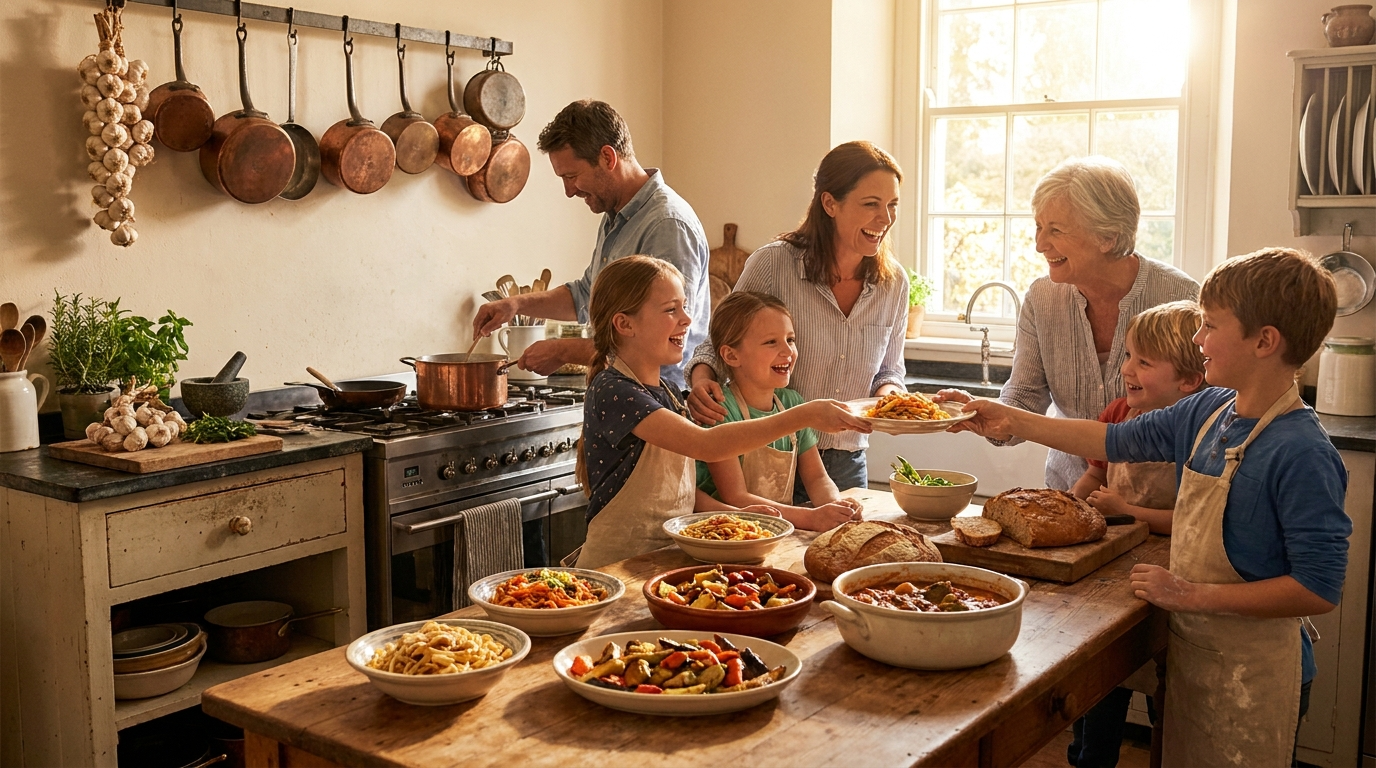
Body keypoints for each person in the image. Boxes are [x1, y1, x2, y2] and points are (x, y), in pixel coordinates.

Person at [960, 247, 1350, 767]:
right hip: (1195, 654)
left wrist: (1191, 594)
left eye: (1210, 325)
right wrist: (1009, 419)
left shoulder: (1301, 450)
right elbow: (1113, 439)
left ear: (1264, 341)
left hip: (1256, 673)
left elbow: (1317, 588)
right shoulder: (1210, 410)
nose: (1197, 338)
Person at [573, 256, 870, 569]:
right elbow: (707, 445)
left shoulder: (667, 393)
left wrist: (736, 516)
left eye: (684, 307)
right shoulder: (615, 391)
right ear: (625, 324)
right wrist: (804, 416)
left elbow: (683, 493)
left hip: (665, 560)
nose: (687, 320)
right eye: (671, 309)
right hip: (615, 564)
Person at [938, 156, 1199, 491]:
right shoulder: (1042, 298)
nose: (1039, 245)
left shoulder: (1181, 296)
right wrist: (983, 414)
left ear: (1108, 236)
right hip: (1067, 490)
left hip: (1155, 499)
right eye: (1038, 227)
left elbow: (1203, 413)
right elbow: (1025, 395)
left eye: (1056, 230)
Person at [686, 141, 908, 500]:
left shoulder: (893, 283)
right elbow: (719, 342)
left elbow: (888, 372)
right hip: (769, 451)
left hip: (848, 460)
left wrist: (893, 404)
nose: (885, 219)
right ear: (829, 203)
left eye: (892, 205)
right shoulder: (775, 264)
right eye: (871, 204)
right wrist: (701, 381)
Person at [472, 100, 710, 391]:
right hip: (626, 396)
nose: (569, 191)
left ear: (608, 158)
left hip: (660, 403)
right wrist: (515, 304)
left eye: (572, 176)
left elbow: (661, 340)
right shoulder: (616, 215)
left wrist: (563, 350)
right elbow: (586, 295)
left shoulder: (666, 225)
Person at [1064, 300, 1206, 768]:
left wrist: (1126, 509)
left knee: (1151, 671)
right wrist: (1072, 503)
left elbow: (1191, 520)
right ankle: (1087, 755)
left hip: (1167, 566)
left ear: (1189, 380)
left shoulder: (1202, 431)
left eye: (1144, 361)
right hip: (1111, 565)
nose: (1127, 369)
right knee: (1100, 671)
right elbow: (1093, 476)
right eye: (1128, 356)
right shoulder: (1119, 412)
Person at [693, 291, 866, 531]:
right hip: (728, 533)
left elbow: (816, 478)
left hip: (777, 529)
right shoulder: (720, 409)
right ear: (731, 355)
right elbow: (735, 497)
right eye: (771, 342)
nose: (787, 351)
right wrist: (810, 518)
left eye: (790, 339)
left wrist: (836, 506)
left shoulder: (793, 403)